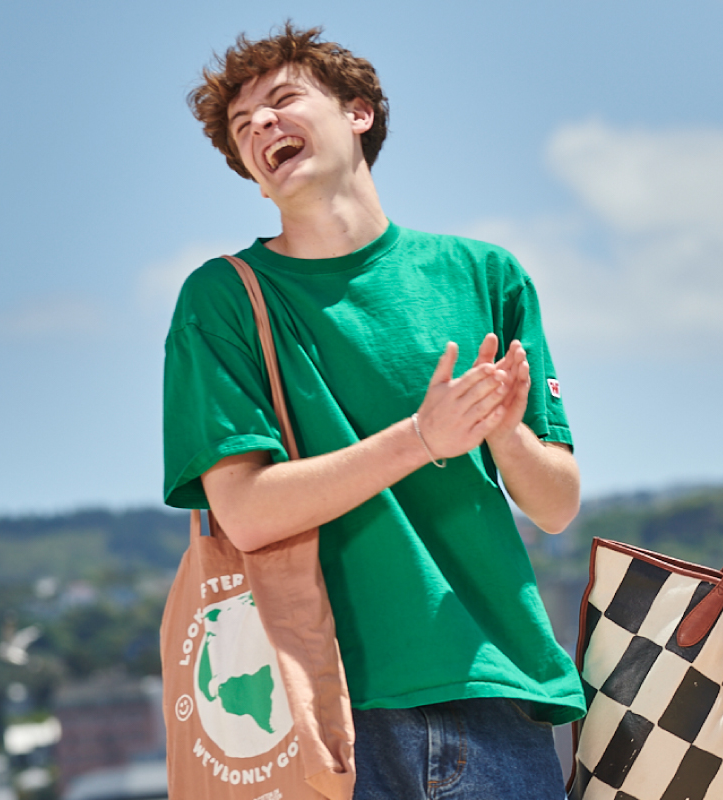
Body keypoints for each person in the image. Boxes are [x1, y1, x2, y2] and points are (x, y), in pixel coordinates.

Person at [164, 23, 582, 799]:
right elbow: (247, 512)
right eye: (241, 125)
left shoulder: (485, 274)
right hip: (318, 710)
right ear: (253, 177)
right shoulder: (221, 300)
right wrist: (423, 437)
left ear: (359, 112)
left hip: (495, 693)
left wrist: (504, 433)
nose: (260, 125)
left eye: (283, 100)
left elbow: (556, 505)